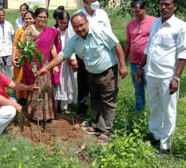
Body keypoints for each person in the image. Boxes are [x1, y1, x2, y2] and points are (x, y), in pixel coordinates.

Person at [38, 12, 128, 144]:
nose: (79, 29)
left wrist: (123, 66)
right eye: (75, 27)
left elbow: (117, 45)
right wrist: (46, 68)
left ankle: (106, 130)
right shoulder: (74, 40)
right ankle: (97, 125)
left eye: (81, 25)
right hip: (91, 72)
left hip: (108, 71)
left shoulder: (100, 31)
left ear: (87, 22)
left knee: (107, 100)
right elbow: (62, 55)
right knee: (95, 99)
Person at [135, 0, 186, 155]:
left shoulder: (181, 27)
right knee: (154, 107)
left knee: (168, 110)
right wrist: (140, 68)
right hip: (151, 74)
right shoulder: (155, 24)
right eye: (161, 4)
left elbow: (182, 54)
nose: (163, 7)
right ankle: (156, 136)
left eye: (167, 4)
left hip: (167, 76)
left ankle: (165, 146)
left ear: (175, 6)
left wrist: (176, 78)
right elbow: (149, 48)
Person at [67, 0, 113, 119]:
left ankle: (98, 114)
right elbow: (71, 37)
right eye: (94, 1)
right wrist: (72, 58)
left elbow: (109, 33)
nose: (97, 3)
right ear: (86, 2)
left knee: (98, 85)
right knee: (83, 84)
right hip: (82, 56)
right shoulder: (77, 16)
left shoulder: (102, 14)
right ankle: (81, 110)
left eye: (97, 0)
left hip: (100, 56)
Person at [23, 8, 61, 121]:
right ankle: (34, 114)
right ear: (35, 18)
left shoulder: (50, 31)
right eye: (40, 17)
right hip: (32, 65)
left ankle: (47, 115)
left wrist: (55, 65)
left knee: (45, 89)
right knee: (35, 88)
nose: (42, 19)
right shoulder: (29, 30)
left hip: (45, 65)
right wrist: (31, 65)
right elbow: (26, 49)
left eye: (45, 17)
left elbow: (52, 48)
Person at [124, 0, 157, 112]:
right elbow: (128, 42)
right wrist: (123, 60)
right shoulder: (130, 24)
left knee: (152, 89)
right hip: (134, 63)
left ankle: (154, 113)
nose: (135, 14)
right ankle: (140, 111)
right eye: (133, 12)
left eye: (138, 11)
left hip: (149, 63)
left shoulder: (154, 22)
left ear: (144, 8)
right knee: (138, 89)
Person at [54, 10, 77, 113]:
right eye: (61, 23)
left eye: (65, 23)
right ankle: (55, 105)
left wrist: (71, 57)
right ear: (57, 21)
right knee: (57, 83)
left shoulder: (71, 32)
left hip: (67, 63)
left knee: (66, 82)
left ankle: (64, 106)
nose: (63, 25)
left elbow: (73, 46)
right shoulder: (54, 31)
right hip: (56, 62)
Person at [12, 10, 35, 104]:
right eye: (26, 18)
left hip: (31, 60)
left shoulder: (36, 31)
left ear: (34, 19)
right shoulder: (20, 30)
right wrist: (13, 58)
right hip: (20, 60)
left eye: (30, 18)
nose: (28, 20)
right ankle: (20, 99)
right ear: (23, 19)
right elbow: (14, 45)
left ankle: (31, 99)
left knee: (30, 78)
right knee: (19, 78)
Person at [0, 8, 15, 78]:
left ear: (5, 15)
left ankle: (10, 83)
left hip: (9, 50)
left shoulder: (9, 25)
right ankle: (1, 82)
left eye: (3, 15)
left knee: (9, 68)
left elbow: (13, 37)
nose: (1, 17)